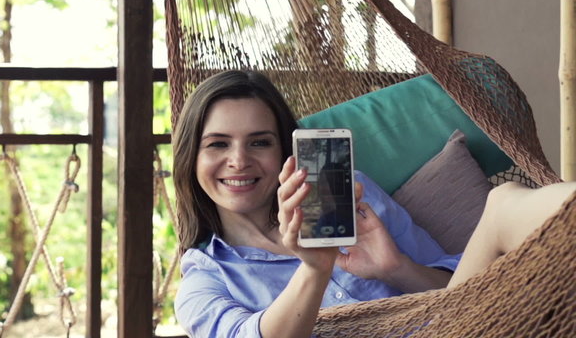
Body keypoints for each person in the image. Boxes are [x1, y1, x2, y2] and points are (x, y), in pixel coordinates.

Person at [172, 70, 576, 338]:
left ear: (284, 150)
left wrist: (395, 268)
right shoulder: (205, 280)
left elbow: (457, 291)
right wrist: (316, 267)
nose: (239, 160)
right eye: (218, 144)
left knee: (503, 204)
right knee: (504, 205)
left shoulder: (353, 194)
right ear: (191, 158)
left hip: (458, 325)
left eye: (260, 141)